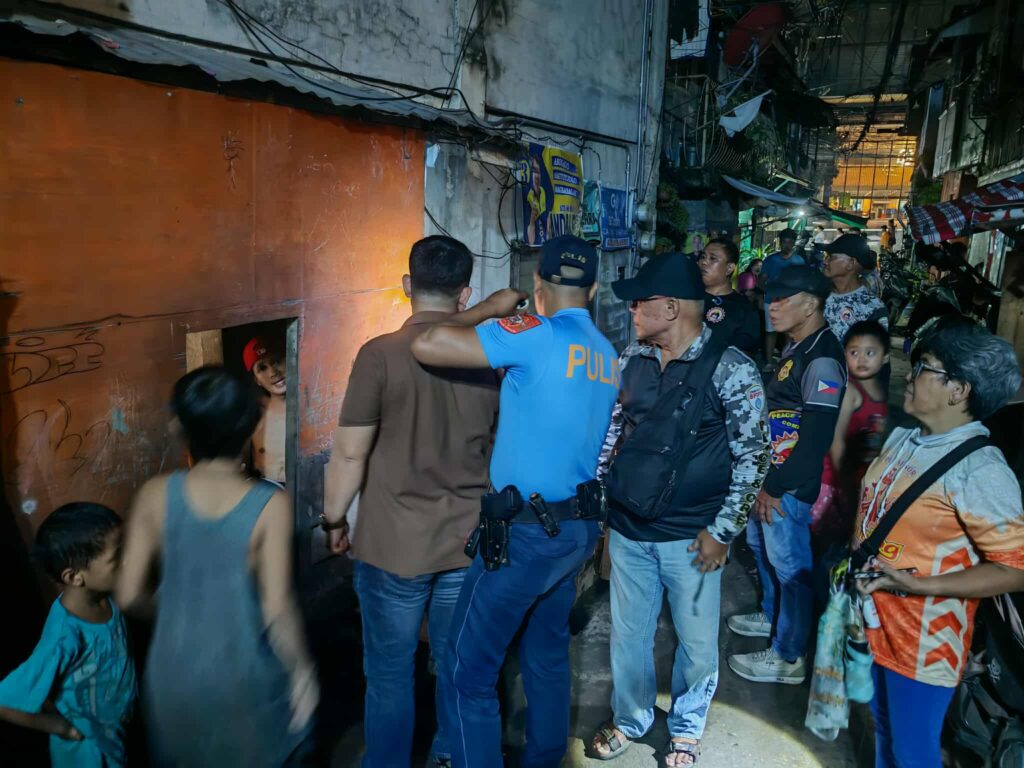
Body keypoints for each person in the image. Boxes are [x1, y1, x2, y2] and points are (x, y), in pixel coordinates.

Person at [410, 235, 618, 768]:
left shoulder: (534, 334)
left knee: (466, 671)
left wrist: (489, 309)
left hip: (524, 535)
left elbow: (427, 344)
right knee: (546, 656)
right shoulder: (606, 353)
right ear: (594, 288)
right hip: (574, 530)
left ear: (537, 284)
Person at [319, 235, 500, 768]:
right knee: (454, 667)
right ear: (465, 294)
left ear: (407, 285)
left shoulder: (378, 355)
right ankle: (447, 754)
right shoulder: (488, 358)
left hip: (391, 546)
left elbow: (349, 453)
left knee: (389, 675)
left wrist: (333, 519)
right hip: (464, 543)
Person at [589, 253, 769, 766]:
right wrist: (601, 504)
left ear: (671, 308)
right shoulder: (632, 359)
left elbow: (755, 456)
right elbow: (611, 434)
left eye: (640, 303)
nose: (632, 311)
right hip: (629, 528)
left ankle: (687, 728)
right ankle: (631, 719)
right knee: (629, 636)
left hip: (694, 538)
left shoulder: (732, 368)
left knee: (696, 642)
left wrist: (723, 530)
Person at [117, 366, 317, 767]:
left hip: (171, 677)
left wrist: (180, 613)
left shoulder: (155, 494)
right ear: (253, 426)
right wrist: (302, 671)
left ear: (178, 427)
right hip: (245, 677)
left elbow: (128, 595)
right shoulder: (270, 505)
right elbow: (278, 608)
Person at [855, 320, 1024, 768]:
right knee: (883, 728)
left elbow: (1015, 569)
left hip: (925, 641)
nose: (910, 376)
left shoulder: (981, 470)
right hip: (874, 621)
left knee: (913, 753)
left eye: (924, 368)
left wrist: (921, 586)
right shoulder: (905, 438)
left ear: (959, 390)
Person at [727, 266, 846, 684]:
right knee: (764, 552)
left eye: (782, 300)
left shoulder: (823, 358)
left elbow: (815, 438)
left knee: (791, 567)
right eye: (770, 299)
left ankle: (788, 655)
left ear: (811, 305)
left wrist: (775, 486)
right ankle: (773, 616)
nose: (771, 307)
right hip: (771, 477)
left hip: (788, 485)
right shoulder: (798, 345)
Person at [0, 504, 136, 767]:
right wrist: (62, 728)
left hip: (116, 734)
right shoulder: (64, 637)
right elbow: (4, 701)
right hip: (88, 752)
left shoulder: (106, 595)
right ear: (74, 577)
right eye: (117, 556)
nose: (129, 560)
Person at [812, 321, 890, 549]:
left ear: (885, 357)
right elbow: (836, 441)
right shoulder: (850, 391)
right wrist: (845, 484)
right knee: (824, 542)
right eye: (854, 353)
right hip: (833, 481)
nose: (861, 359)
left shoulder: (879, 391)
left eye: (870, 353)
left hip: (858, 479)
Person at [698, 238, 761, 357]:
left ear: (729, 268)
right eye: (703, 257)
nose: (704, 262)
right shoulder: (688, 298)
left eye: (712, 258)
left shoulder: (744, 309)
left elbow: (743, 355)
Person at [822, 233, 889, 342]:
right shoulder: (816, 296)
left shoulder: (873, 308)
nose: (825, 261)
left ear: (851, 263)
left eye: (831, 257)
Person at [244, 336, 287, 487]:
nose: (273, 372)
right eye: (262, 368)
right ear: (256, 379)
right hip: (271, 491)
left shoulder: (316, 406)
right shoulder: (254, 419)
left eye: (276, 361)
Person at [759, 228, 805, 362]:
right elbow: (761, 281)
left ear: (794, 243)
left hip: (791, 302)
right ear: (780, 242)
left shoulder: (799, 261)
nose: (787, 245)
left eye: (790, 242)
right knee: (771, 331)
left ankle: (786, 362)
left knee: (789, 332)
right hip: (772, 301)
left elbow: (802, 281)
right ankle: (769, 362)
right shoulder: (770, 260)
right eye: (784, 242)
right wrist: (768, 293)